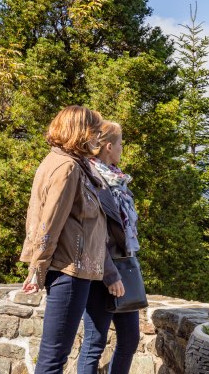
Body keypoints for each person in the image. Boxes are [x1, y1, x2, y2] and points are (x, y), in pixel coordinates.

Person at [20, 105, 113, 374]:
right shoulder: (68, 167)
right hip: (69, 270)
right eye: (94, 130)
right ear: (79, 131)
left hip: (71, 269)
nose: (98, 136)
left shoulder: (66, 162)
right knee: (53, 358)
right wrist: (37, 268)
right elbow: (49, 222)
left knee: (55, 355)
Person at [78, 120, 141, 374]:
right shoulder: (92, 179)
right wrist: (109, 274)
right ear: (107, 146)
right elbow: (90, 233)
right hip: (100, 273)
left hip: (124, 266)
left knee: (130, 338)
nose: (122, 149)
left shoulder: (116, 179)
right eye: (120, 144)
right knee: (94, 343)